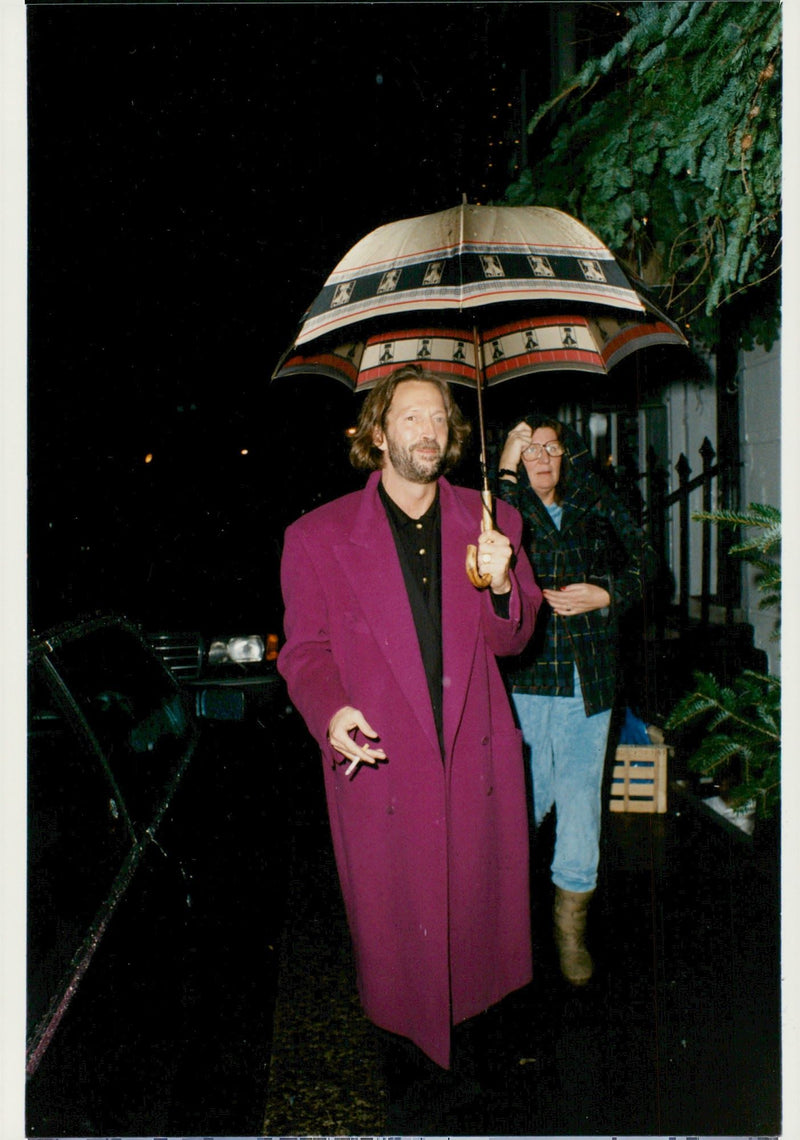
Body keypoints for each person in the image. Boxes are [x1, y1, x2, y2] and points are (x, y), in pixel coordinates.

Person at [277, 365, 542, 1079]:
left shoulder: (494, 522)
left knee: (480, 970)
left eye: (438, 420)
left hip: (475, 768)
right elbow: (303, 652)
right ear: (377, 433)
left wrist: (500, 580)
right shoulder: (316, 536)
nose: (429, 432)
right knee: (402, 976)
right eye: (411, 418)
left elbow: (514, 641)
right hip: (385, 767)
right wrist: (331, 709)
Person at [496, 415, 652, 986]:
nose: (542, 458)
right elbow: (486, 547)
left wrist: (607, 593)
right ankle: (501, 923)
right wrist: (506, 467)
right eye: (529, 448)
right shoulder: (504, 507)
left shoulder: (592, 502)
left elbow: (647, 562)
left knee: (581, 804)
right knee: (525, 798)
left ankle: (569, 933)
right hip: (528, 677)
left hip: (589, 677)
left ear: (567, 456)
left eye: (551, 449)